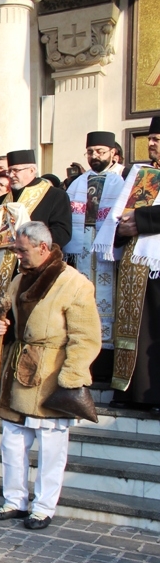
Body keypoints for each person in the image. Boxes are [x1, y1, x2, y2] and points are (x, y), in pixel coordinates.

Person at [0, 222, 101, 530]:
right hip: (17, 368)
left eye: (22, 250)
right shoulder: (20, 279)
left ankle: (44, 507)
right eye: (16, 250)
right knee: (12, 440)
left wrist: (72, 377)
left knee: (51, 445)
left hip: (51, 372)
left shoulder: (74, 283)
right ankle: (14, 500)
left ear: (43, 248)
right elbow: (2, 318)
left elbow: (86, 336)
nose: (18, 256)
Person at [95, 116, 160, 412]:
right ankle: (135, 392)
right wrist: (120, 229)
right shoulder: (142, 174)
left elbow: (142, 217)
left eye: (158, 139)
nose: (152, 143)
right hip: (137, 263)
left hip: (156, 263)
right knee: (136, 327)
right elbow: (121, 213)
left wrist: (142, 221)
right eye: (151, 138)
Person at [64, 131, 125, 383]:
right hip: (82, 252)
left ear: (112, 152)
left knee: (108, 304)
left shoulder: (122, 179)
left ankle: (106, 365)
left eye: (100, 151)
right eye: (91, 152)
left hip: (108, 254)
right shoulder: (77, 183)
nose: (95, 156)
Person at [5, 149, 73, 249]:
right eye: (9, 171)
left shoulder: (56, 195)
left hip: (39, 257)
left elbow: (62, 232)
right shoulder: (4, 198)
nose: (11, 175)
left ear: (32, 170)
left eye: (16, 170)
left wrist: (30, 245)